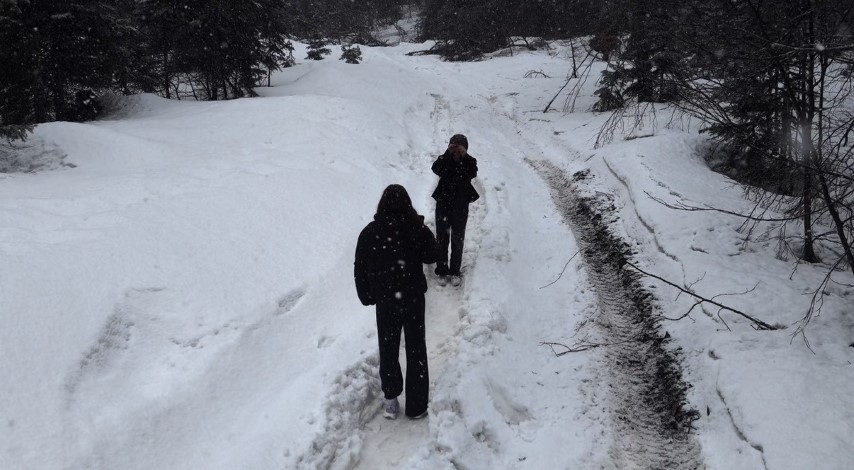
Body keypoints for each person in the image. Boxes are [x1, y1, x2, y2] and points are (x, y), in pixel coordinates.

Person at [354, 184, 440, 420]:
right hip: (412, 298)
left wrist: (366, 295)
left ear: (381, 205)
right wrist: (421, 228)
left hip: (386, 301)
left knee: (388, 348)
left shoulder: (370, 232)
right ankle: (417, 405)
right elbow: (433, 254)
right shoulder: (414, 228)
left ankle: (391, 400)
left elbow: (360, 266)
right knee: (416, 349)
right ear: (407, 204)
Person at [431, 134, 479, 286]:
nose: (457, 149)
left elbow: (472, 172)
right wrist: (447, 153)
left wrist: (464, 156)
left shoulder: (470, 161)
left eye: (460, 146)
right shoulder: (443, 160)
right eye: (454, 145)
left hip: (460, 205)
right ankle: (442, 270)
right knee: (441, 238)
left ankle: (455, 271)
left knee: (458, 240)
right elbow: (436, 169)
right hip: (443, 205)